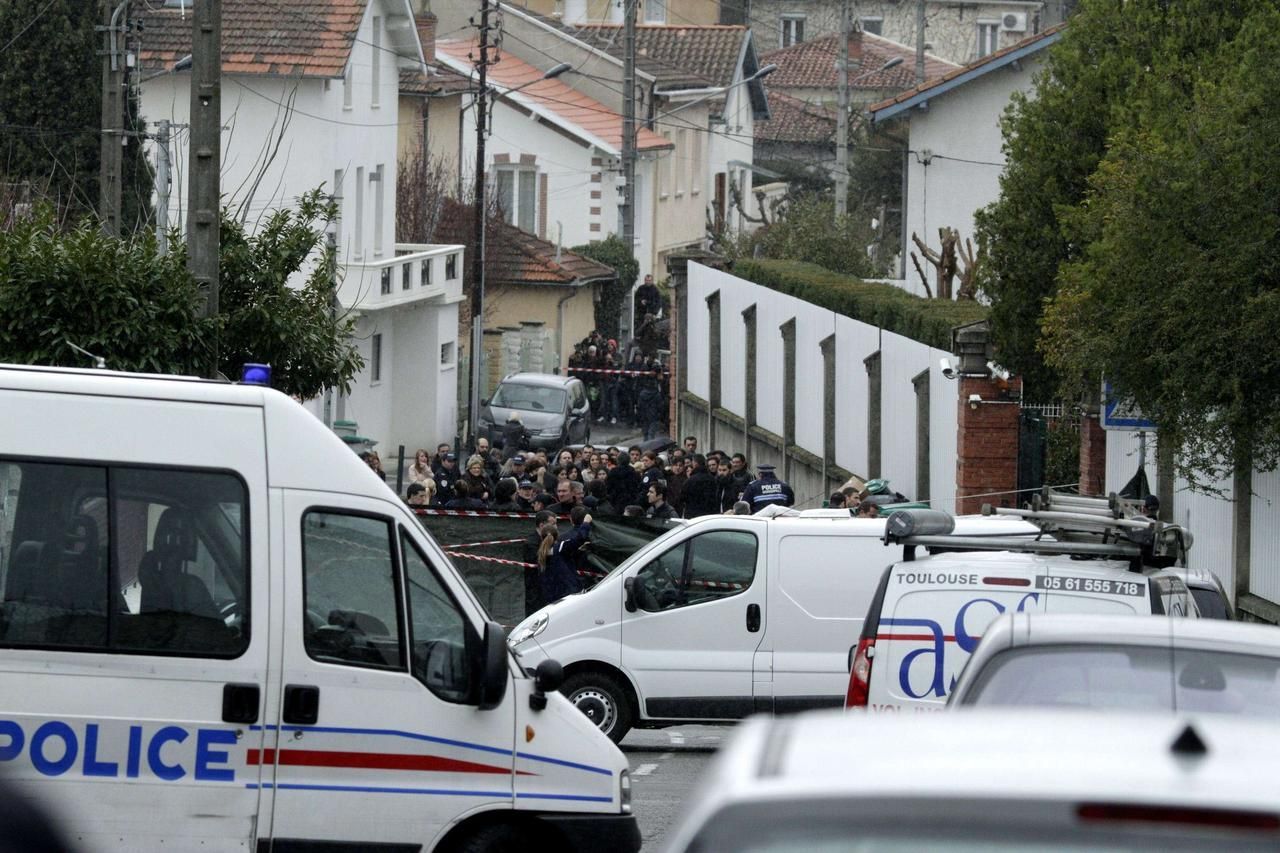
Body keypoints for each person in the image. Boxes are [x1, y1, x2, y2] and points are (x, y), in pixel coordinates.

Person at [543, 506, 591, 605]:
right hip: (569, 589)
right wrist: (586, 523)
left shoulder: (543, 551)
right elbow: (578, 539)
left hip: (554, 591)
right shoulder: (561, 548)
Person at [522, 510, 557, 616]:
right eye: (553, 524)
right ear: (542, 525)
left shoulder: (551, 540)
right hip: (536, 588)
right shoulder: (531, 542)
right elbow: (537, 560)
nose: (556, 527)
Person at [682, 453, 720, 518]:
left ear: (695, 463)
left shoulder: (690, 480)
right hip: (709, 515)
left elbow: (682, 497)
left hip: (692, 514)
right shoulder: (712, 479)